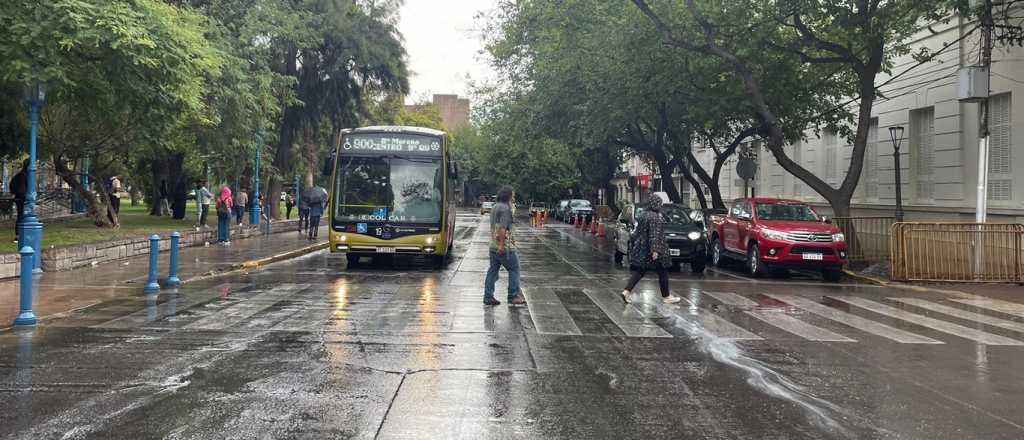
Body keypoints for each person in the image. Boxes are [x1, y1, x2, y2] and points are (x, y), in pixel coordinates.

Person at [621, 196, 681, 304]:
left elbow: (636, 233)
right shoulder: (655, 217)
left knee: (640, 271)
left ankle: (626, 291)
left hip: (643, 248)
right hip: (655, 249)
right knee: (663, 271)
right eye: (660, 204)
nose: (661, 206)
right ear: (656, 204)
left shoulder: (643, 215)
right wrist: (655, 250)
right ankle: (666, 297)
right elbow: (655, 234)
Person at [483, 186, 526, 306]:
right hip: (505, 247)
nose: (513, 198)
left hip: (493, 245)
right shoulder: (506, 209)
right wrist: (502, 245)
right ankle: (513, 296)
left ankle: (488, 296)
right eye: (512, 195)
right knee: (514, 269)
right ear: (508, 196)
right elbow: (502, 229)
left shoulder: (495, 207)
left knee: (492, 270)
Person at [9, 160, 27, 229]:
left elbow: (11, 184)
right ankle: (19, 233)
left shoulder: (19, 175)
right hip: (21, 197)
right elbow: (22, 188)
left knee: (20, 215)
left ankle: (18, 234)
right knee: (21, 215)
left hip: (18, 197)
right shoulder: (23, 175)